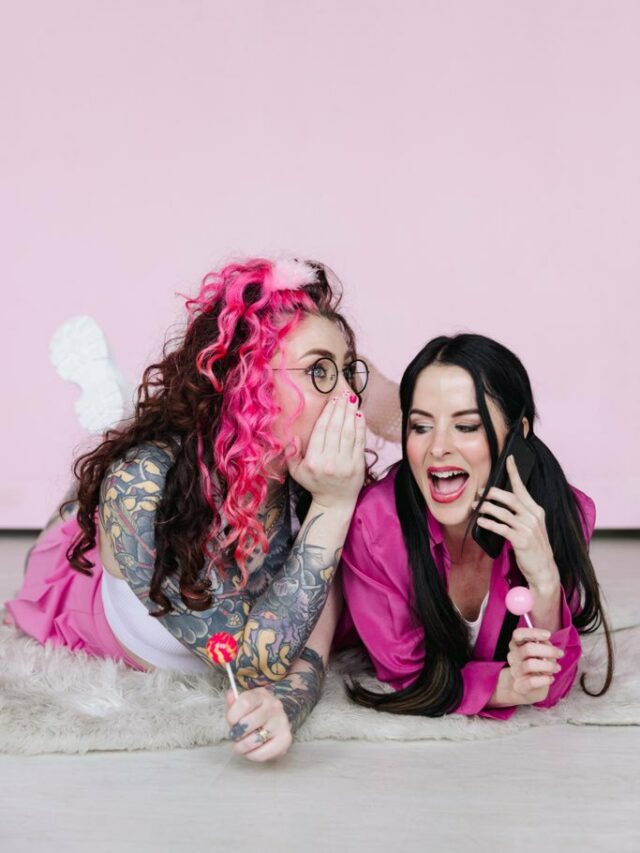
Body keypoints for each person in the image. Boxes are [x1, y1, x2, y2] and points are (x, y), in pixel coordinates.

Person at [6, 257, 370, 760]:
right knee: (78, 518)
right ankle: (114, 428)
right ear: (249, 381)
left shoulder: (306, 471)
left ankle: (123, 420)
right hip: (91, 583)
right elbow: (254, 665)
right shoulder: (141, 486)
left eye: (348, 371)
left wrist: (287, 705)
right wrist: (334, 504)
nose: (349, 398)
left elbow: (314, 633)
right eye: (320, 371)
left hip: (191, 493)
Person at [338, 334, 613, 719]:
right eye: (420, 427)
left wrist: (546, 582)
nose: (437, 448)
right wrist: (503, 687)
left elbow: (551, 682)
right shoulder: (376, 525)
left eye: (466, 426)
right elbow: (404, 672)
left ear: (518, 433)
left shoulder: (563, 513)